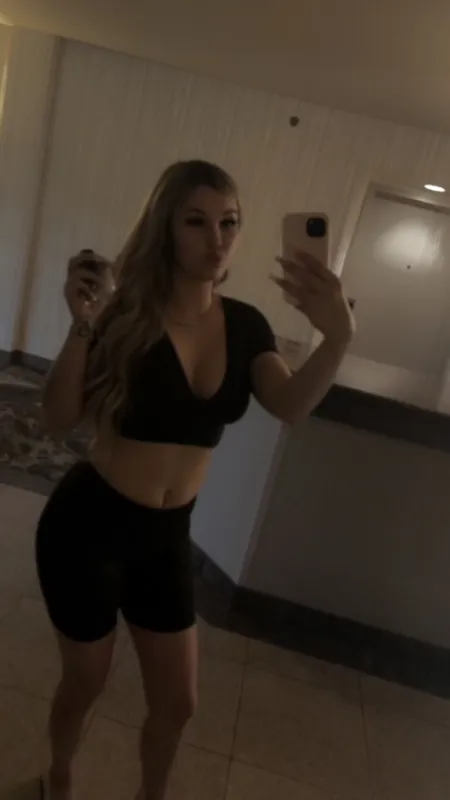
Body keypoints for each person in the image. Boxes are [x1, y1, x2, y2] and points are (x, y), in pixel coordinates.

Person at [35, 159, 354, 800]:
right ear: (166, 228)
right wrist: (82, 321)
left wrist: (338, 336)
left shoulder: (246, 326)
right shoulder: (124, 314)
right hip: (89, 529)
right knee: (86, 681)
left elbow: (290, 405)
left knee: (178, 702)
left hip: (165, 538)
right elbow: (56, 418)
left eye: (229, 223)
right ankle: (59, 772)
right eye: (197, 222)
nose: (217, 239)